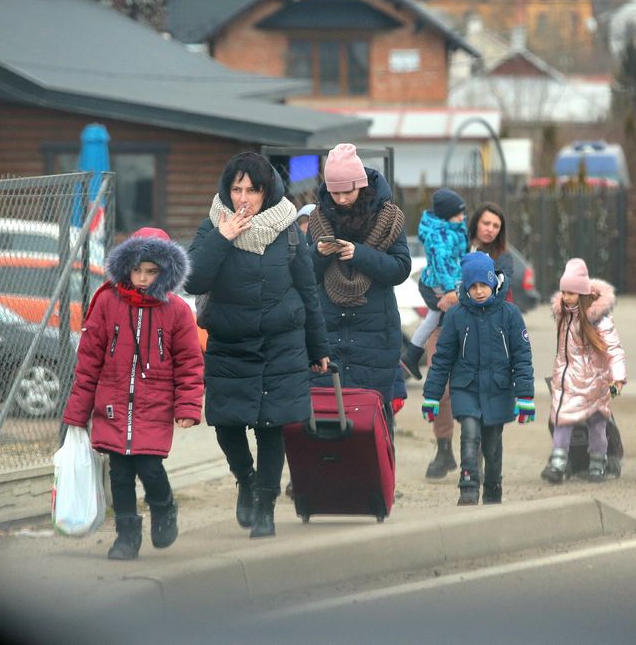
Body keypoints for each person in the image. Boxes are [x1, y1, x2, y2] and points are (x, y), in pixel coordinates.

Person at [186, 152, 330, 539]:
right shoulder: (212, 227)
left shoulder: (286, 230)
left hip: (281, 344)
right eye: (237, 189)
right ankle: (245, 480)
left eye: (252, 189)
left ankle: (264, 505)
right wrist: (223, 236)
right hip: (230, 343)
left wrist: (318, 348)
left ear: (267, 192)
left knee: (272, 427)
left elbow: (307, 290)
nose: (243, 198)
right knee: (227, 423)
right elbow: (192, 279)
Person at [62, 227, 204, 560]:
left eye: (151, 271)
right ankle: (126, 537)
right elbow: (88, 361)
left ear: (165, 272)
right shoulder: (107, 302)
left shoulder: (177, 311)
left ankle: (164, 506)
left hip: (154, 406)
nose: (142, 278)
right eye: (137, 269)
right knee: (120, 473)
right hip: (111, 405)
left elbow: (189, 363)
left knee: (150, 468)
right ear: (126, 266)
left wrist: (188, 406)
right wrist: (77, 413)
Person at [305, 144, 411, 437]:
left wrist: (360, 254)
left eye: (347, 192)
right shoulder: (317, 219)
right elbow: (302, 274)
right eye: (335, 192)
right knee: (326, 417)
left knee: (374, 419)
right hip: (329, 329)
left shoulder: (389, 217)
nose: (340, 199)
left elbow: (400, 268)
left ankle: (378, 481)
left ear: (361, 185)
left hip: (375, 331)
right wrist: (318, 252)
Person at [422, 252, 535, 505]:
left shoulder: (510, 315)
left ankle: (493, 488)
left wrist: (525, 395)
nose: (479, 291)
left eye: (484, 284)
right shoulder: (456, 316)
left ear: (494, 282)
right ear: (466, 287)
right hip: (467, 388)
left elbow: (522, 357)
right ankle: (468, 487)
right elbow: (442, 360)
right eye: (473, 286)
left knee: (493, 444)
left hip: (498, 389)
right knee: (470, 433)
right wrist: (432, 396)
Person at [423, 202, 514, 479]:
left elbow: (500, 288)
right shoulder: (455, 243)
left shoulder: (503, 257)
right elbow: (430, 282)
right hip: (443, 326)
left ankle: (475, 453)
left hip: (484, 332)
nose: (490, 229)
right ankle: (443, 448)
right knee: (440, 388)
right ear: (475, 223)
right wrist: (441, 299)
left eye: (496, 226)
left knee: (479, 389)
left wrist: (456, 296)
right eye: (486, 223)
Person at [542, 258, 626, 484]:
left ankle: (598, 462)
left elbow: (614, 349)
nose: (566, 297)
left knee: (597, 425)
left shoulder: (598, 319)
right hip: (568, 380)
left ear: (582, 293)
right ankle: (558, 461)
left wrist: (618, 378)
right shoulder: (564, 315)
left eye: (571, 293)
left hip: (595, 382)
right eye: (564, 292)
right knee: (562, 420)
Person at [400, 187, 468, 380]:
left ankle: (411, 355)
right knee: (447, 317)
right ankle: (440, 360)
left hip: (449, 280)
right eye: (457, 214)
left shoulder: (454, 229)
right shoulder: (439, 235)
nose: (462, 217)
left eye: (462, 213)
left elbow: (460, 258)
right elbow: (442, 264)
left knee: (433, 318)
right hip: (439, 283)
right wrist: (450, 291)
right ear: (446, 216)